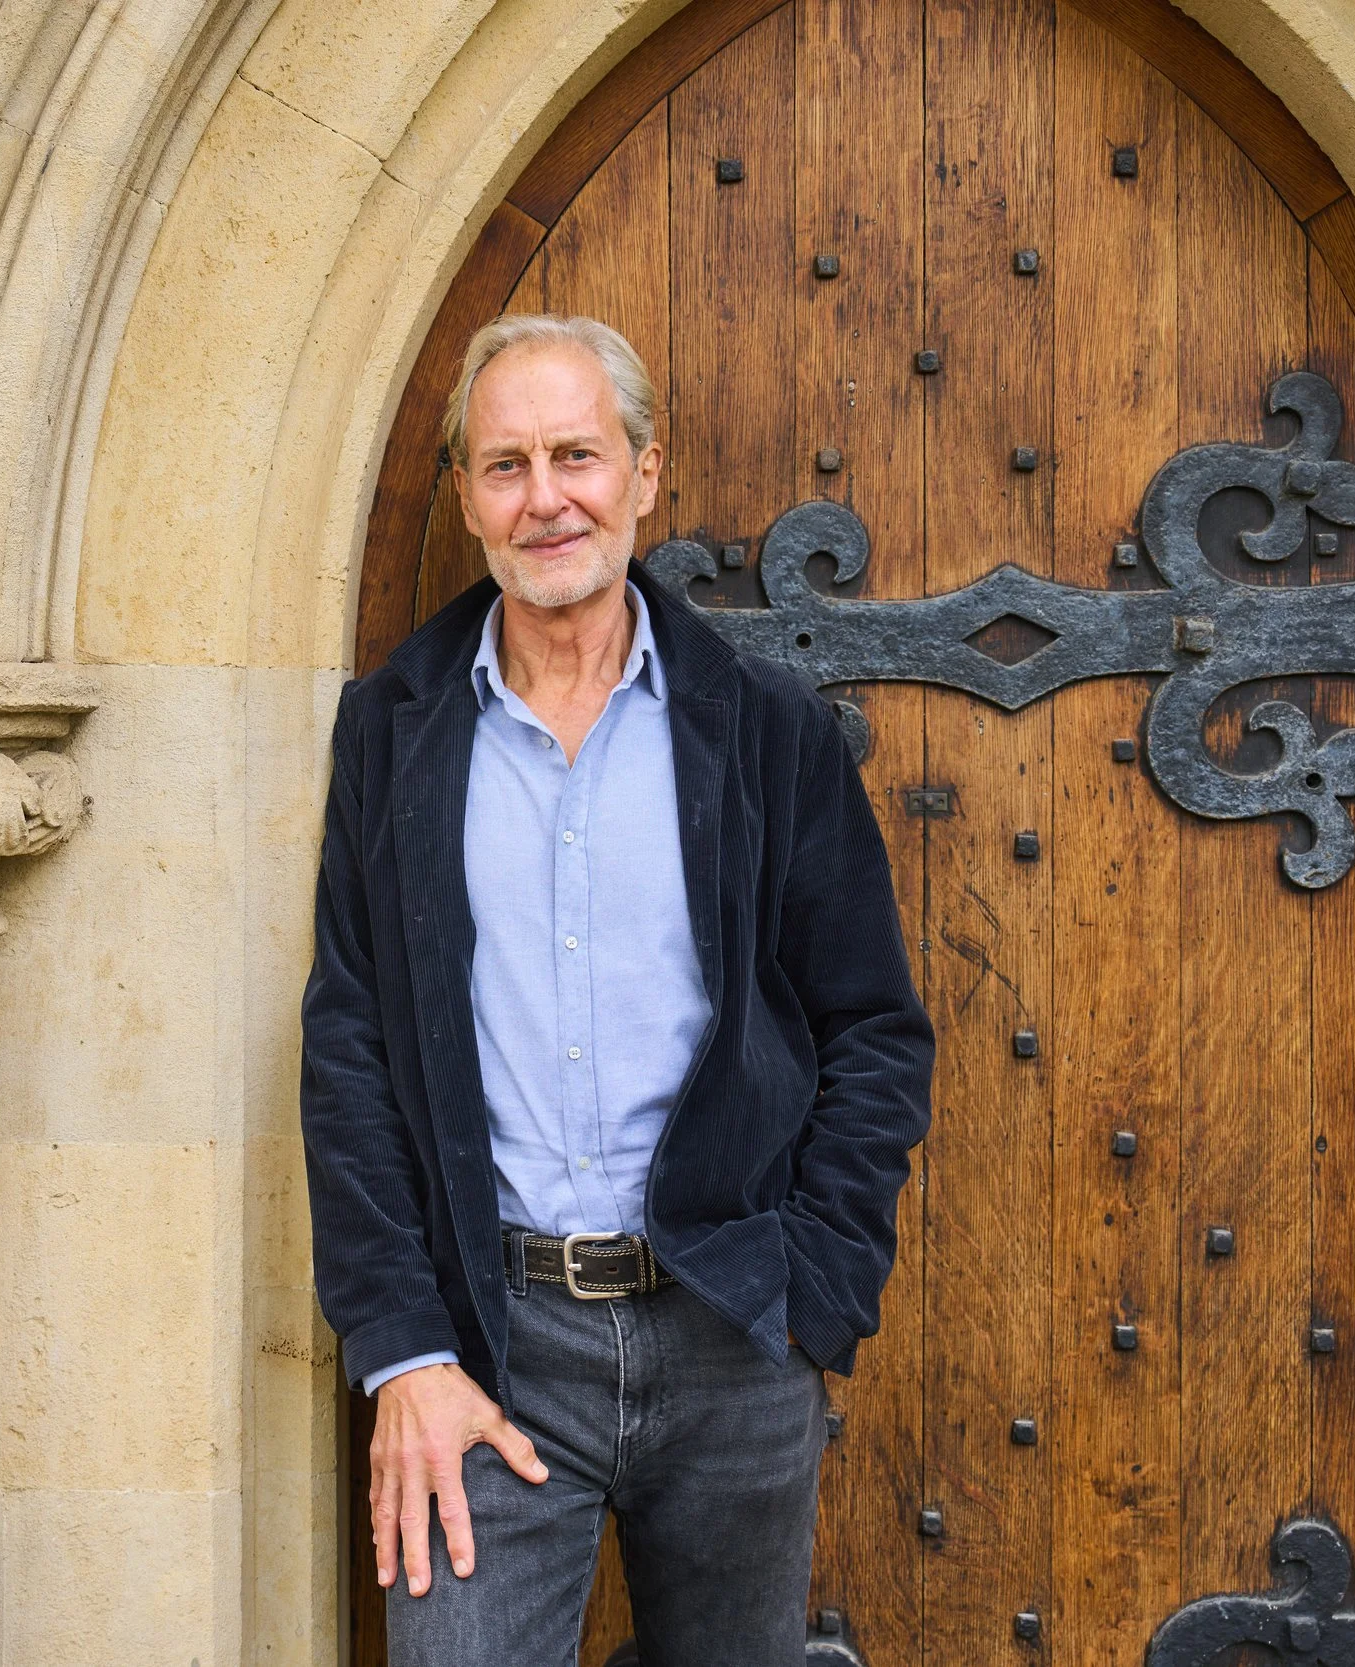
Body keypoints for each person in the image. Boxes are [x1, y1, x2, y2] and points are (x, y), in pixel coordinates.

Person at [299, 313, 935, 1665]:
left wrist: (814, 1292)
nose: (546, 499)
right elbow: (350, 1047)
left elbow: (873, 1028)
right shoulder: (394, 728)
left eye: (577, 455)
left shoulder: (766, 731)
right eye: (506, 463)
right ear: (468, 496)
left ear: (646, 474)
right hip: (489, 1340)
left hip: (732, 1331)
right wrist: (403, 1349)